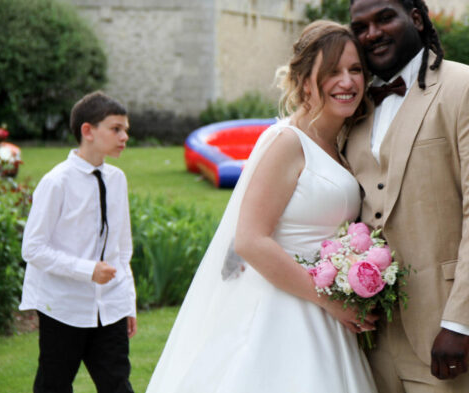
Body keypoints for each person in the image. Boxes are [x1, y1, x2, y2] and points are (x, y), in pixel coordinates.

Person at [146, 21, 378, 393]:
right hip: (284, 309)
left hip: (325, 315)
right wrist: (329, 301)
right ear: (305, 81)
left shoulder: (339, 143)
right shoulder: (288, 142)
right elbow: (250, 241)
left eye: (355, 70)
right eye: (332, 71)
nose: (347, 82)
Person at [345, 0, 469, 393]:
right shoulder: (356, 106)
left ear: (417, 19)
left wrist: (462, 321)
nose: (372, 33)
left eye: (385, 18)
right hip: (371, 331)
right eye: (361, 26)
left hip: (448, 326)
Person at [20, 91, 137, 393]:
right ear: (88, 131)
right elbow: (33, 248)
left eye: (125, 129)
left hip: (109, 307)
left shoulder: (117, 179)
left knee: (117, 385)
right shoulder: (56, 182)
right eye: (116, 129)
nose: (125, 136)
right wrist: (87, 270)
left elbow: (122, 249)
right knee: (54, 385)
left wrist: (127, 304)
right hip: (63, 306)